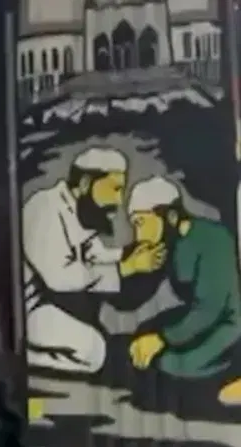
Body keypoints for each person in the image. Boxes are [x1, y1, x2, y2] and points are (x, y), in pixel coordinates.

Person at [21, 147, 164, 373]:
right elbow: (59, 277)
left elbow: (96, 256)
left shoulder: (82, 210)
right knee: (94, 351)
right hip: (29, 312)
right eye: (115, 189)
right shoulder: (43, 208)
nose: (118, 201)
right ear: (87, 183)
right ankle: (27, 355)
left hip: (56, 306)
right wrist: (127, 267)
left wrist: (130, 254)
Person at [124, 176, 241, 402]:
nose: (138, 235)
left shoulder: (213, 239)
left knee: (170, 364)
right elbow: (134, 298)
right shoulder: (166, 243)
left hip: (229, 323)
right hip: (196, 317)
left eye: (141, 223)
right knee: (140, 339)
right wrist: (131, 267)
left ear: (171, 216)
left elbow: (210, 309)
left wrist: (162, 338)